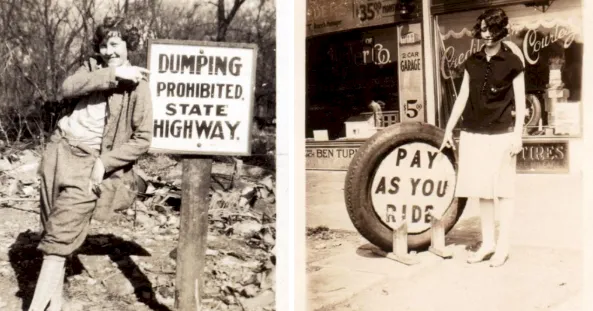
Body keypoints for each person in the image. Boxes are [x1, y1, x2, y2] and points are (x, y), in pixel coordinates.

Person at [28, 17, 153, 311]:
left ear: (128, 46)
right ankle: (53, 306)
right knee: (52, 233)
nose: (109, 50)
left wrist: (105, 162)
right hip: (58, 153)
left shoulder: (139, 87)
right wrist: (113, 74)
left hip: (89, 165)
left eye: (115, 44)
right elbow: (67, 88)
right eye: (103, 44)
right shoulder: (91, 70)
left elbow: (143, 138)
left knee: (58, 241)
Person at [439, 8, 526, 267]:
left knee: (504, 193)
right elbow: (462, 97)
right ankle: (488, 244)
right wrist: (448, 130)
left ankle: (503, 247)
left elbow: (521, 103)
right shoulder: (473, 62)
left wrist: (518, 135)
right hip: (473, 134)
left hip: (501, 135)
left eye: (492, 30)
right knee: (483, 193)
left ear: (501, 31)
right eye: (484, 29)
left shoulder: (513, 62)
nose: (487, 34)